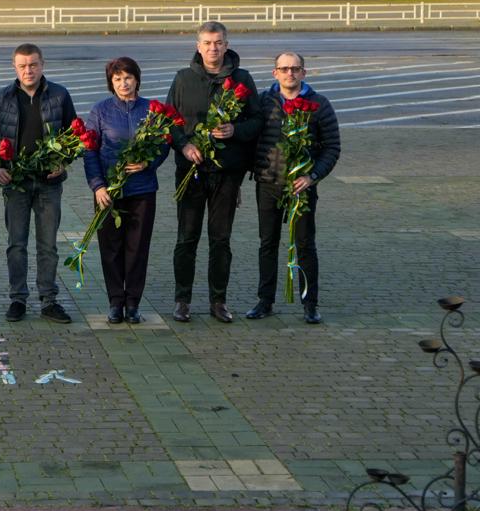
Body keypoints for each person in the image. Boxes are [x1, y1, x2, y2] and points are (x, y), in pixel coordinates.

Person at [166, 21, 262, 323]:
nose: (213, 48)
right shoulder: (183, 79)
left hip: (227, 174)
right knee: (187, 238)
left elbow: (257, 122)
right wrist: (183, 146)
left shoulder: (242, 79)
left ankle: (218, 301)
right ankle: (182, 300)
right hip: (191, 171)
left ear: (227, 44)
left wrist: (235, 130)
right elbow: (170, 122)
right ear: (198, 46)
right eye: (207, 43)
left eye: (218, 42)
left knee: (220, 239)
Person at [0, 43, 77, 324]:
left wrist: (65, 160)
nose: (28, 70)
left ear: (42, 65)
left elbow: (75, 136)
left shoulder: (59, 95)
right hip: (16, 184)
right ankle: (18, 299)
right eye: (23, 65)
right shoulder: (2, 98)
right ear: (14, 67)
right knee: (16, 244)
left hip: (49, 184)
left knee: (48, 244)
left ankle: (49, 300)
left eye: (33, 64)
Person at [247, 52, 341, 324]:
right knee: (268, 243)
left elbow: (332, 147)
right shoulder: (264, 102)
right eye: (284, 69)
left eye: (295, 69)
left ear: (304, 73)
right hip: (268, 183)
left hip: (302, 187)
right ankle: (265, 301)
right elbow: (250, 139)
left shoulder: (319, 104)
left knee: (305, 245)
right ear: (274, 73)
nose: (290, 73)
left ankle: (310, 303)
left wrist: (312, 176)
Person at [82, 58, 169, 324]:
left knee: (137, 248)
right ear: (111, 82)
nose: (123, 83)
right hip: (109, 191)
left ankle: (133, 303)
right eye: (117, 78)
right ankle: (115, 302)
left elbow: (164, 144)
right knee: (111, 248)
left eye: (128, 77)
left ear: (137, 80)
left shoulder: (151, 110)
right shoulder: (100, 111)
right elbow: (90, 150)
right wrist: (97, 186)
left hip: (142, 190)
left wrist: (148, 162)